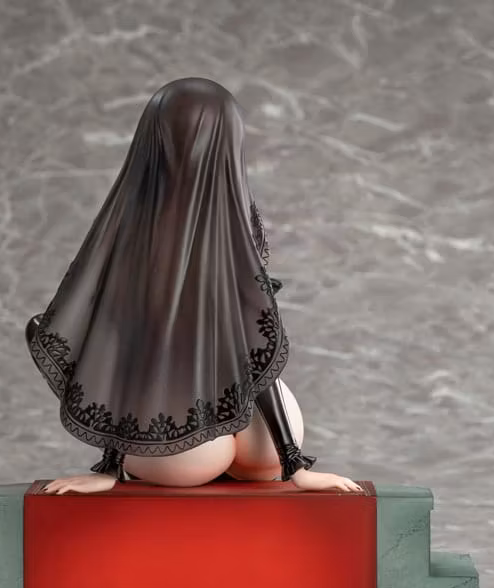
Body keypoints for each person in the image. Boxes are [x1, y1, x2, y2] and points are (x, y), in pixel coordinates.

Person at [25, 77, 360, 495]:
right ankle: (278, 458)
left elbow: (118, 346)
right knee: (257, 452)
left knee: (54, 329)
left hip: (176, 436)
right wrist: (294, 463)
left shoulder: (139, 227)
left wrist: (111, 464)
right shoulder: (238, 224)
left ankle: (140, 458)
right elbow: (250, 344)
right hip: (230, 438)